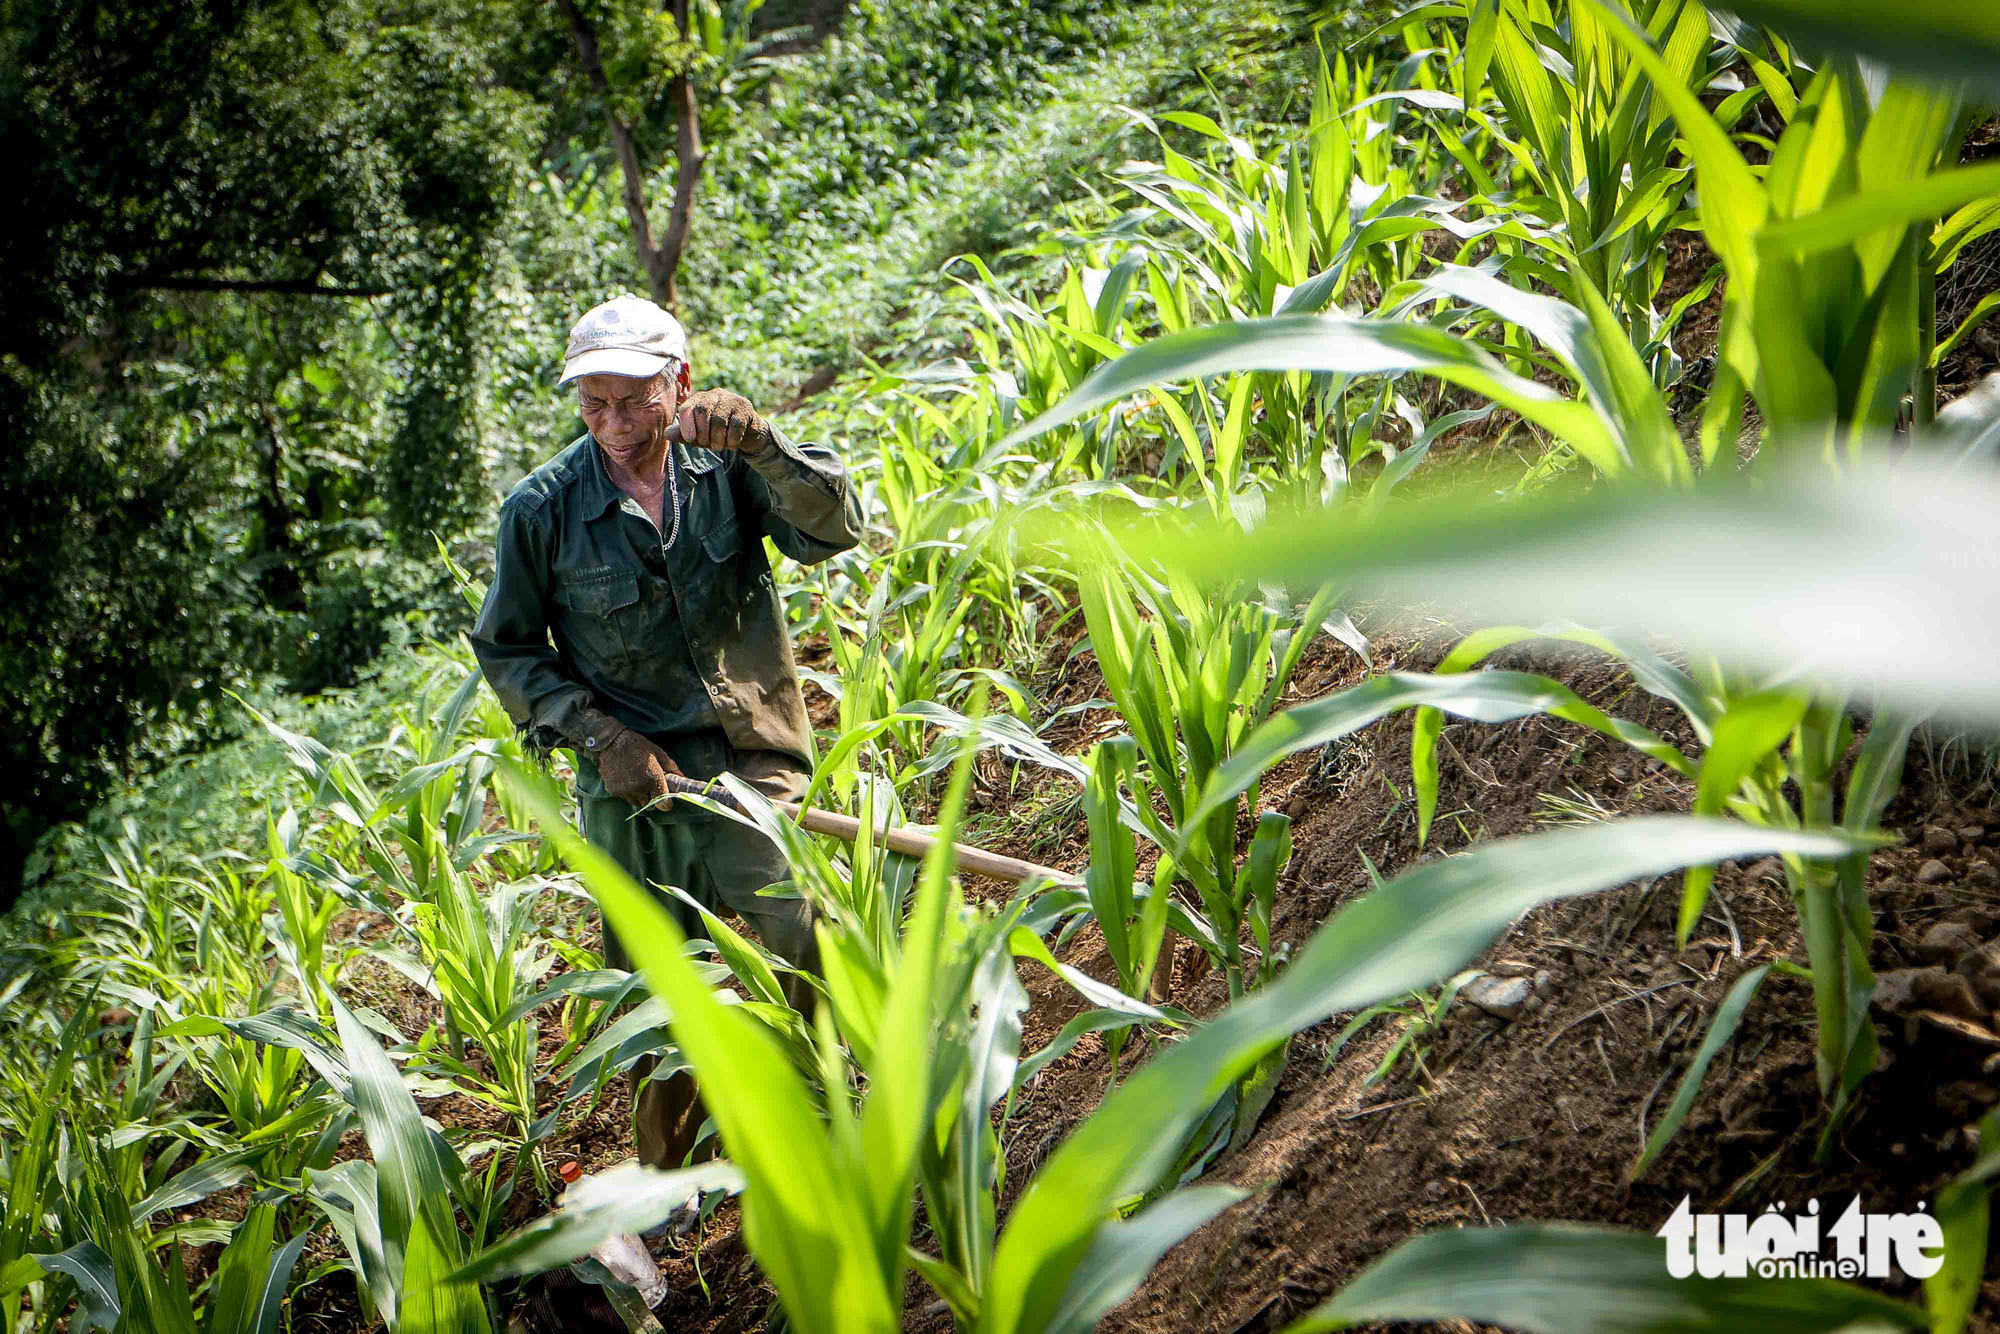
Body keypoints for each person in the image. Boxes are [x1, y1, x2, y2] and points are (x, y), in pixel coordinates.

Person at [470, 294, 863, 1174]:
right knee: (658, 996)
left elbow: (833, 527)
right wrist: (601, 736)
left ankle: (850, 1110)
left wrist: (763, 442)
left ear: (677, 383)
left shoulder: (724, 466)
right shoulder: (542, 511)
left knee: (801, 931)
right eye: (592, 404)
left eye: (632, 400)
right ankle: (668, 1190)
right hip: (633, 794)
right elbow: (508, 650)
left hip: (750, 756)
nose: (612, 423)